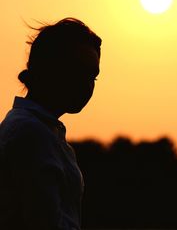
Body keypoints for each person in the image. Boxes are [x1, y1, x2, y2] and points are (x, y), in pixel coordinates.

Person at [0, 17, 102, 230]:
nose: (86, 84)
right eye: (77, 71)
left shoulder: (41, 130)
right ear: (48, 68)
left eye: (92, 76)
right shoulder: (31, 133)